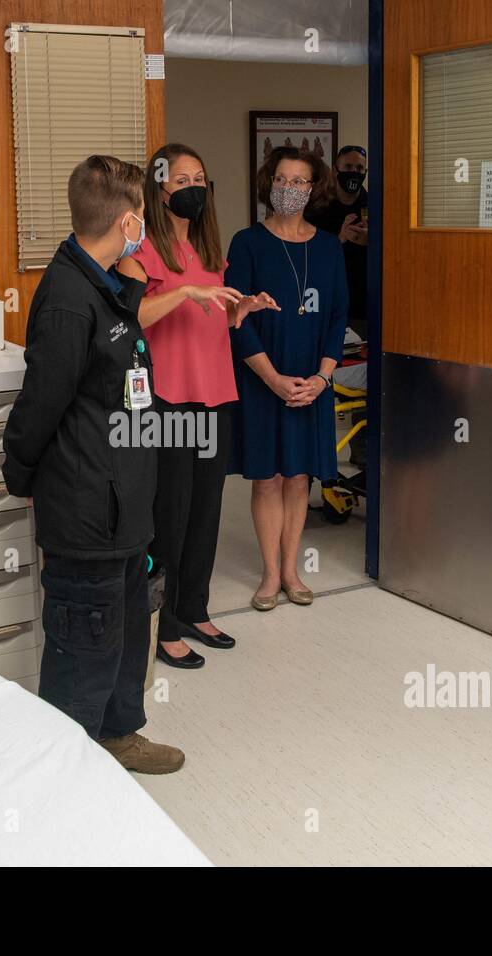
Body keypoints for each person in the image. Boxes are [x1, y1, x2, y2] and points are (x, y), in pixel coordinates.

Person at [2, 155, 184, 774]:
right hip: (86, 509)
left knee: (130, 629)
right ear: (129, 221)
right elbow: (41, 404)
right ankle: (65, 767)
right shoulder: (67, 299)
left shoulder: (105, 285)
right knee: (86, 641)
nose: (147, 232)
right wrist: (21, 475)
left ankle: (119, 734)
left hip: (124, 505)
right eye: (144, 221)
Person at [118, 143, 277, 669]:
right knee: (171, 515)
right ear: (158, 188)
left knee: (206, 511)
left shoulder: (210, 251)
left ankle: (194, 609)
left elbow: (213, 318)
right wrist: (184, 292)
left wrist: (241, 310)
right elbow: (133, 318)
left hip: (215, 395)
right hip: (168, 400)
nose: (193, 188)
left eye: (200, 179)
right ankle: (161, 628)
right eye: (182, 178)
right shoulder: (140, 250)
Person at [225, 146, 349, 611]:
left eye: (300, 181)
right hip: (263, 377)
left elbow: (337, 316)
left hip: (313, 379)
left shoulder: (329, 246)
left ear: (314, 188)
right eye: (282, 179)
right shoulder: (247, 243)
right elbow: (236, 319)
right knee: (269, 478)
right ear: (268, 183)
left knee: (299, 478)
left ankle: (293, 570)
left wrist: (322, 378)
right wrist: (274, 378)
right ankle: (269, 574)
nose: (290, 189)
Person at [306, 145, 369, 340]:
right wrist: (338, 240)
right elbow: (306, 253)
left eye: (359, 169)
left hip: (363, 305)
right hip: (324, 303)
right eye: (348, 167)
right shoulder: (316, 206)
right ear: (335, 170)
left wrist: (371, 244)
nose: (354, 173)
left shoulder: (374, 204)